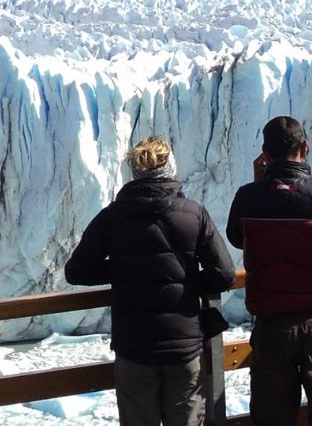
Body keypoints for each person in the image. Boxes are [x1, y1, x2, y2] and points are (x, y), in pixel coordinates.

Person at [65, 136, 236, 426]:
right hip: (183, 346)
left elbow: (76, 271)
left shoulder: (112, 216)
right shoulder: (193, 214)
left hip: (134, 348)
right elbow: (224, 273)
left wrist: (123, 270)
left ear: (134, 172)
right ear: (170, 168)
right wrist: (188, 279)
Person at [226, 116, 312, 426]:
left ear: (265, 154)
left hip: (271, 325)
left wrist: (260, 184)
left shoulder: (248, 197)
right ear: (305, 148)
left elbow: (236, 237)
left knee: (272, 417)